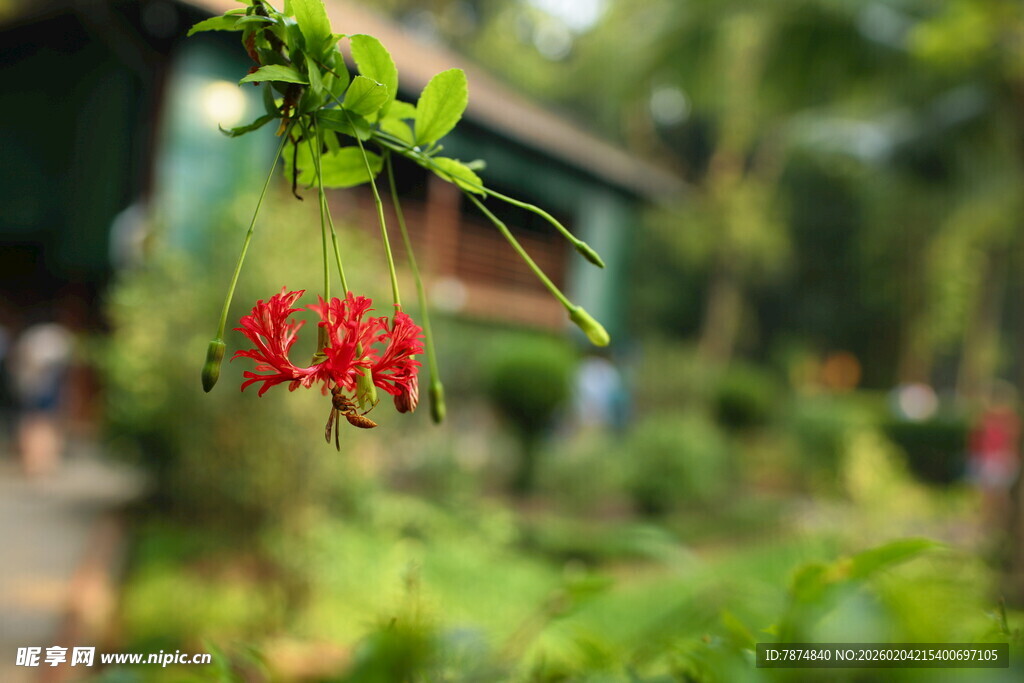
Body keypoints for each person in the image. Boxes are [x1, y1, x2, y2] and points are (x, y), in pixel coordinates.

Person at [8, 320, 73, 476]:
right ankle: (43, 463)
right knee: (44, 425)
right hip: (42, 392)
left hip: (32, 390)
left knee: (35, 425)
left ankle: (36, 463)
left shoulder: (30, 338)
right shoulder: (57, 336)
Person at [968, 381, 1021, 526]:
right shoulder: (986, 418)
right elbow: (978, 441)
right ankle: (990, 523)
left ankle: (1000, 523)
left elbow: (1011, 443)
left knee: (998, 495)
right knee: (989, 495)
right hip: (989, 461)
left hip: (1001, 461)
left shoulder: (1010, 420)